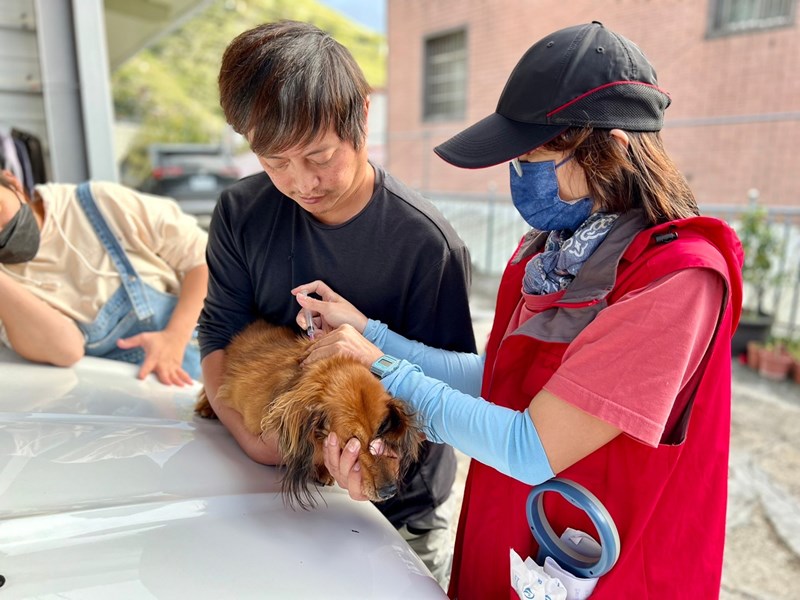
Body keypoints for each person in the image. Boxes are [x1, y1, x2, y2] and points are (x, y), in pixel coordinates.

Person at [295, 21, 744, 599]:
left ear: (610, 146)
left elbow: (529, 447)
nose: (518, 175)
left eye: (532, 157)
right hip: (520, 548)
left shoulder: (675, 280)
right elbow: (504, 383)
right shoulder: (551, 256)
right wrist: (370, 332)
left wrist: (384, 368)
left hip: (608, 569)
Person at [197, 20, 476, 588]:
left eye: (318, 155)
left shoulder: (426, 244)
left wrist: (378, 463)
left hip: (390, 506)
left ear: (362, 118)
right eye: (275, 162)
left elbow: (450, 400)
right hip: (267, 488)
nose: (302, 181)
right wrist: (258, 441)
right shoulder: (240, 212)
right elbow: (218, 332)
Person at [0, 171, 207, 385]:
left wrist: (174, 338)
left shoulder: (99, 203)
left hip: (202, 365)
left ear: (13, 183)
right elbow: (66, 351)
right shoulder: (7, 286)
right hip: (122, 401)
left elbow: (204, 259)